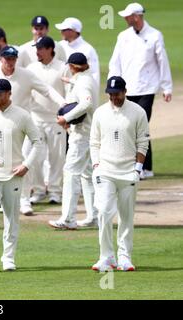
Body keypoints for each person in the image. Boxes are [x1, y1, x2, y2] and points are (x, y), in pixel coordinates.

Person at [0, 79, 42, 272]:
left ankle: (9, 258)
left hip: (14, 175)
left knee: (12, 218)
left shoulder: (22, 115)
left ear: (8, 94)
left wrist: (26, 165)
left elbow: (37, 142)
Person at [90, 76, 150, 272]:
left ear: (125, 91)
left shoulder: (137, 112)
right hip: (105, 170)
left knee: (126, 216)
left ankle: (124, 257)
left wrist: (137, 169)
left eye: (117, 94)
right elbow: (94, 142)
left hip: (128, 172)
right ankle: (106, 256)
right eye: (111, 94)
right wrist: (97, 164)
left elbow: (143, 142)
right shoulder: (100, 112)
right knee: (104, 212)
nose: (114, 97)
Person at [108, 2, 172, 180]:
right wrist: (113, 87)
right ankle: (140, 166)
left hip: (147, 88)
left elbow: (162, 61)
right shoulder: (123, 36)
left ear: (137, 16)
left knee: (140, 126)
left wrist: (166, 86)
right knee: (129, 126)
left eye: (128, 16)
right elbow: (115, 62)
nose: (125, 19)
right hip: (127, 89)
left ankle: (142, 167)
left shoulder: (154, 35)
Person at [0, 45, 65, 137]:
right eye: (7, 59)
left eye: (13, 59)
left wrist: (62, 103)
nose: (10, 62)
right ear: (0, 58)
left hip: (22, 126)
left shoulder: (26, 75)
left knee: (24, 155)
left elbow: (46, 90)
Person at [48, 53, 98, 230]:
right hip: (88, 133)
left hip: (81, 135)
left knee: (70, 173)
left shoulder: (83, 82)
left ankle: (68, 218)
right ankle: (94, 216)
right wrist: (71, 82)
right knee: (86, 175)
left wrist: (65, 118)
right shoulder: (86, 79)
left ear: (72, 66)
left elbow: (86, 104)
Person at [20, 37, 67, 215]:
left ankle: (55, 190)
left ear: (49, 49)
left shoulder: (62, 67)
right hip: (36, 118)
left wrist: (66, 113)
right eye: (36, 49)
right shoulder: (31, 69)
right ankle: (39, 190)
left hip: (56, 119)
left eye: (40, 49)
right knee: (34, 155)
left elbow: (67, 93)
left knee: (56, 156)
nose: (37, 52)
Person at [55, 17, 100, 87]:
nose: (61, 32)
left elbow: (94, 75)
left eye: (63, 30)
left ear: (73, 31)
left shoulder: (88, 49)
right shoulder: (59, 45)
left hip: (79, 90)